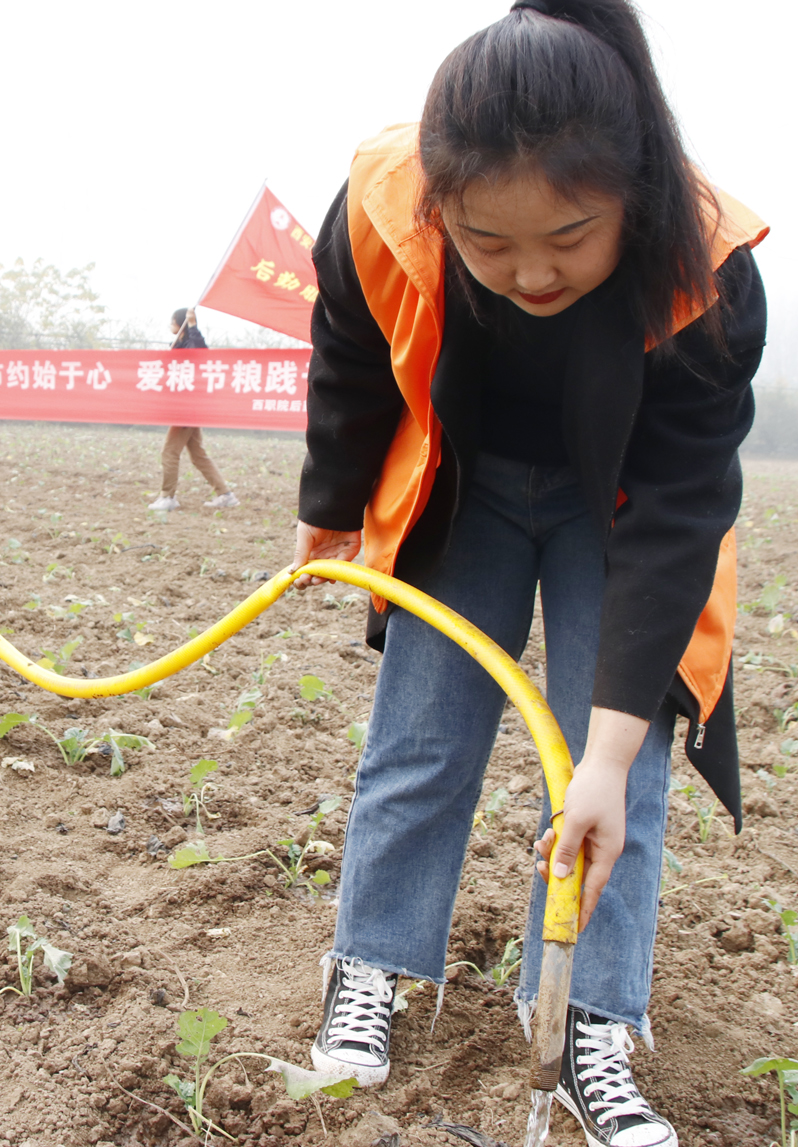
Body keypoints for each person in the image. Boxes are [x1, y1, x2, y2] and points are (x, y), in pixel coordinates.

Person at [293, 3, 767, 1144]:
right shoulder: (380, 204)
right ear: (440, 205)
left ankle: (590, 1021)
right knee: (420, 735)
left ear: (631, 194)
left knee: (618, 778)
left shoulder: (705, 268)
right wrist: (330, 510)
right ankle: (373, 966)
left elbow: (680, 513)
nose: (531, 272)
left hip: (623, 514)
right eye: (488, 243)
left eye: (568, 235)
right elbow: (349, 358)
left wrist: (605, 752)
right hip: (472, 489)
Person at [149, 307, 237, 512]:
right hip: (186, 407)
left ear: (179, 324)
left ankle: (167, 497)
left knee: (169, 452)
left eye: (172, 321)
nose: (170, 325)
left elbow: (200, 350)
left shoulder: (192, 343)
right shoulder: (178, 345)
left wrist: (192, 324)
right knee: (198, 455)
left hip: (188, 409)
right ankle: (225, 494)